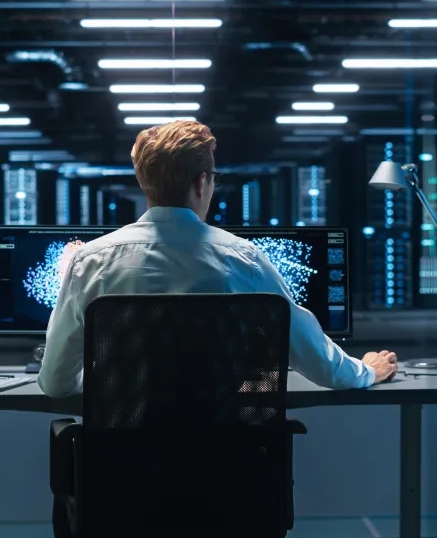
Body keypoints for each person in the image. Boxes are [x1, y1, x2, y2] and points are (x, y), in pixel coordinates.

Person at [37, 120, 397, 398]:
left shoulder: (92, 261)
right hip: (225, 470)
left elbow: (55, 382)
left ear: (142, 182)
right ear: (201, 183)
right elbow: (318, 362)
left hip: (122, 470)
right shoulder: (244, 260)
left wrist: (116, 385)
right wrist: (368, 370)